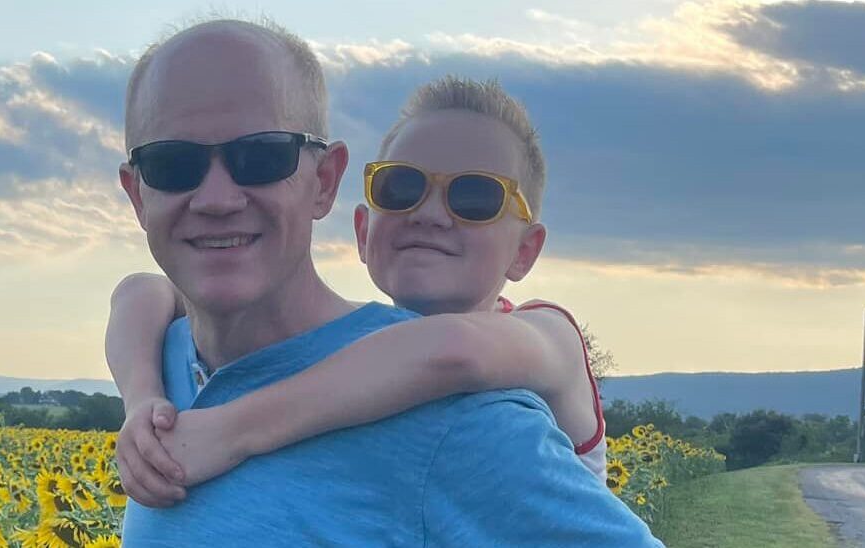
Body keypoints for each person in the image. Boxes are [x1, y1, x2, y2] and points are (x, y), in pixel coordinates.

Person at [113, 17, 659, 546]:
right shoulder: (167, 362)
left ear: (325, 181)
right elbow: (139, 291)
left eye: (261, 156)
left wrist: (230, 431)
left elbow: (449, 350)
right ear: (137, 195)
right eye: (172, 164)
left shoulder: (468, 411)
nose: (216, 199)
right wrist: (142, 399)